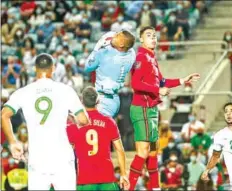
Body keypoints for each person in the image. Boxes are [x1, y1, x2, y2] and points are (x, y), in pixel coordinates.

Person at [1, 53, 89, 190]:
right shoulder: (65, 90)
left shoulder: (24, 92)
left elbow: (4, 115)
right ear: (53, 68)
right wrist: (73, 117)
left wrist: (13, 142)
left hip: (38, 159)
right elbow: (83, 120)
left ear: (35, 69)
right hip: (63, 158)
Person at [128, 26, 200, 190]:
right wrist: (158, 90)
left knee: (154, 151)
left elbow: (162, 81)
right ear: (141, 39)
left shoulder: (152, 58)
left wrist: (183, 80)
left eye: (154, 35)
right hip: (142, 108)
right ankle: (129, 187)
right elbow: (136, 83)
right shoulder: (141, 57)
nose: (153, 38)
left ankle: (155, 187)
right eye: (148, 35)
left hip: (152, 108)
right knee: (143, 152)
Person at [66, 86, 129, 191]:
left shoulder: (74, 125)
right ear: (98, 101)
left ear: (81, 102)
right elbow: (119, 149)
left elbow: (67, 154)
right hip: (107, 180)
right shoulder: (109, 122)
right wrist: (123, 174)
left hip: (85, 181)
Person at [85, 30, 136, 118]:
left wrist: (97, 48)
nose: (114, 36)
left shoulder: (105, 54)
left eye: (117, 36)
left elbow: (87, 67)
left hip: (104, 101)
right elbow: (128, 45)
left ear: (121, 45)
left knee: (96, 128)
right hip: (113, 100)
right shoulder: (131, 54)